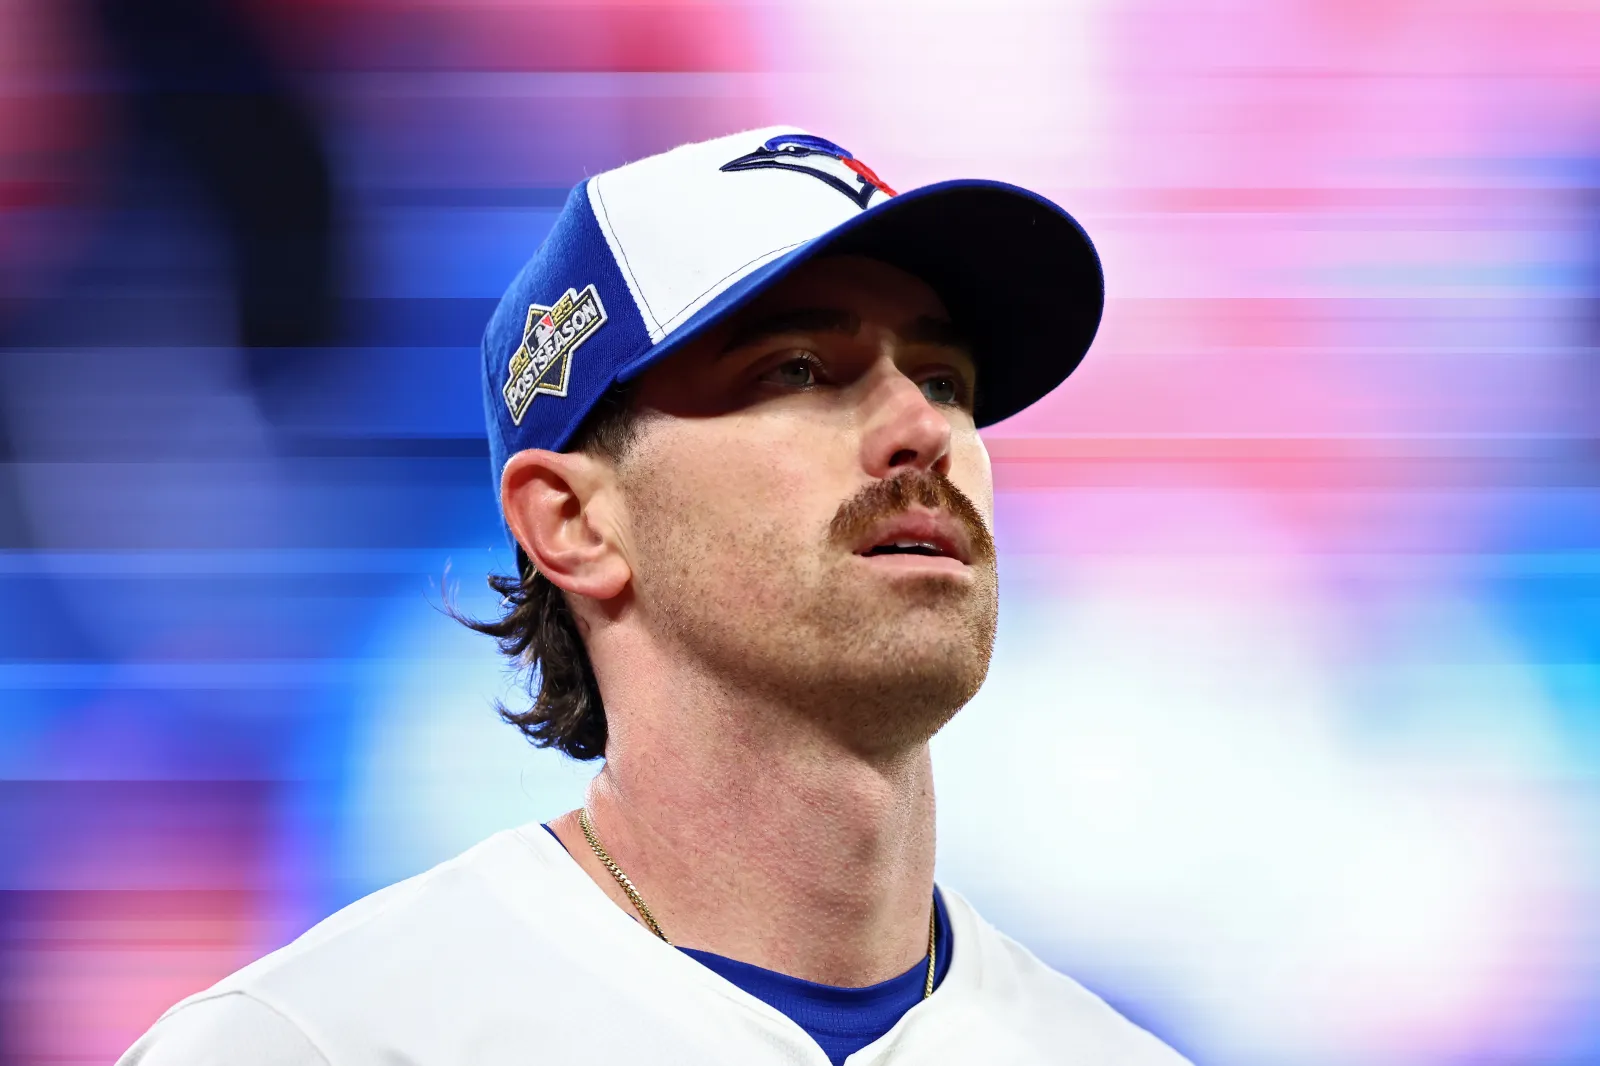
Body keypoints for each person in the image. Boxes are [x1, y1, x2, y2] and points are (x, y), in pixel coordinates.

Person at [118, 128, 1190, 1065]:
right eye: (801, 369)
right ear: (573, 524)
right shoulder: (320, 1042)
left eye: (945, 380)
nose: (921, 427)